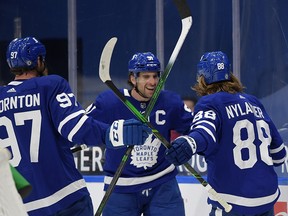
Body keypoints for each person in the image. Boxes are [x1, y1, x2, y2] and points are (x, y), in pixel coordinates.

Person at [1, 37, 151, 216]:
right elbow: (76, 128)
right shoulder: (50, 85)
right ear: (38, 60)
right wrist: (115, 133)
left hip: (24, 207)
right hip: (66, 199)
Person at [165, 51, 287, 216]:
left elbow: (204, 133)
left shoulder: (210, 103)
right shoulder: (253, 101)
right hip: (267, 198)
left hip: (233, 202)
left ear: (202, 78)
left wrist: (190, 143)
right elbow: (279, 155)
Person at [86, 52, 193, 216]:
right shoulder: (109, 102)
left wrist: (187, 142)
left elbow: (194, 128)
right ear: (133, 78)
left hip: (162, 183)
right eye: (146, 76)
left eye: (155, 76)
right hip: (120, 186)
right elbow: (83, 127)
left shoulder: (169, 101)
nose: (152, 82)